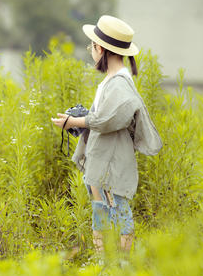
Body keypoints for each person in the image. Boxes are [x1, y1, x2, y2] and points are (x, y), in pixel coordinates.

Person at [51, 15, 162, 253]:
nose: (90, 50)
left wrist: (75, 121)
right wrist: (80, 122)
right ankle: (103, 265)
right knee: (100, 209)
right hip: (102, 157)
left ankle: (122, 266)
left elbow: (109, 119)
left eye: (91, 46)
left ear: (100, 48)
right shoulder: (112, 80)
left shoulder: (119, 83)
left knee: (120, 210)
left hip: (112, 160)